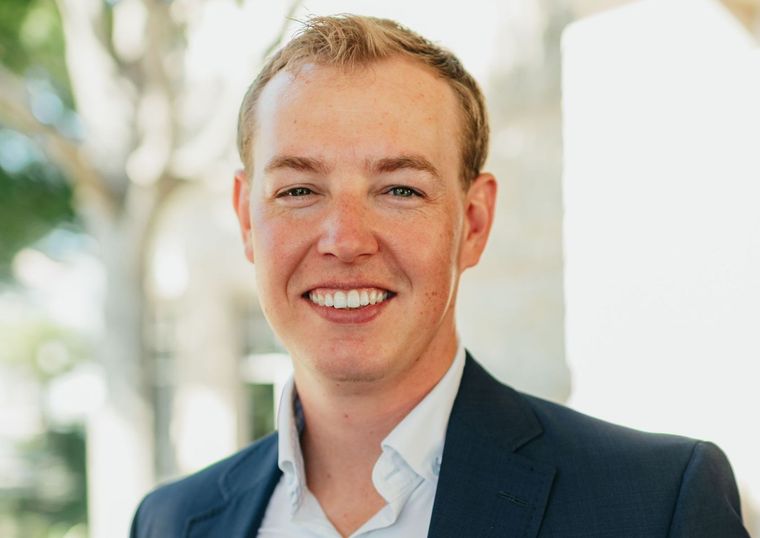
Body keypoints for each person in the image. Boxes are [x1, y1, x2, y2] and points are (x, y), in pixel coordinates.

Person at [130, 14, 749, 538]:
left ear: (474, 222)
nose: (345, 239)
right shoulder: (171, 521)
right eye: (298, 189)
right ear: (246, 220)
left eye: (400, 188)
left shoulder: (656, 503)